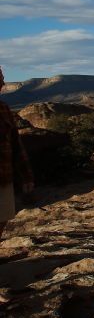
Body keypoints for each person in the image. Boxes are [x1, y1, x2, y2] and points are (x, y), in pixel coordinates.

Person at [0, 67, 34, 239]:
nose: (3, 83)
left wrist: (26, 175)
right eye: (0, 79)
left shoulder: (3, 109)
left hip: (3, 176)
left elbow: (15, 143)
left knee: (3, 218)